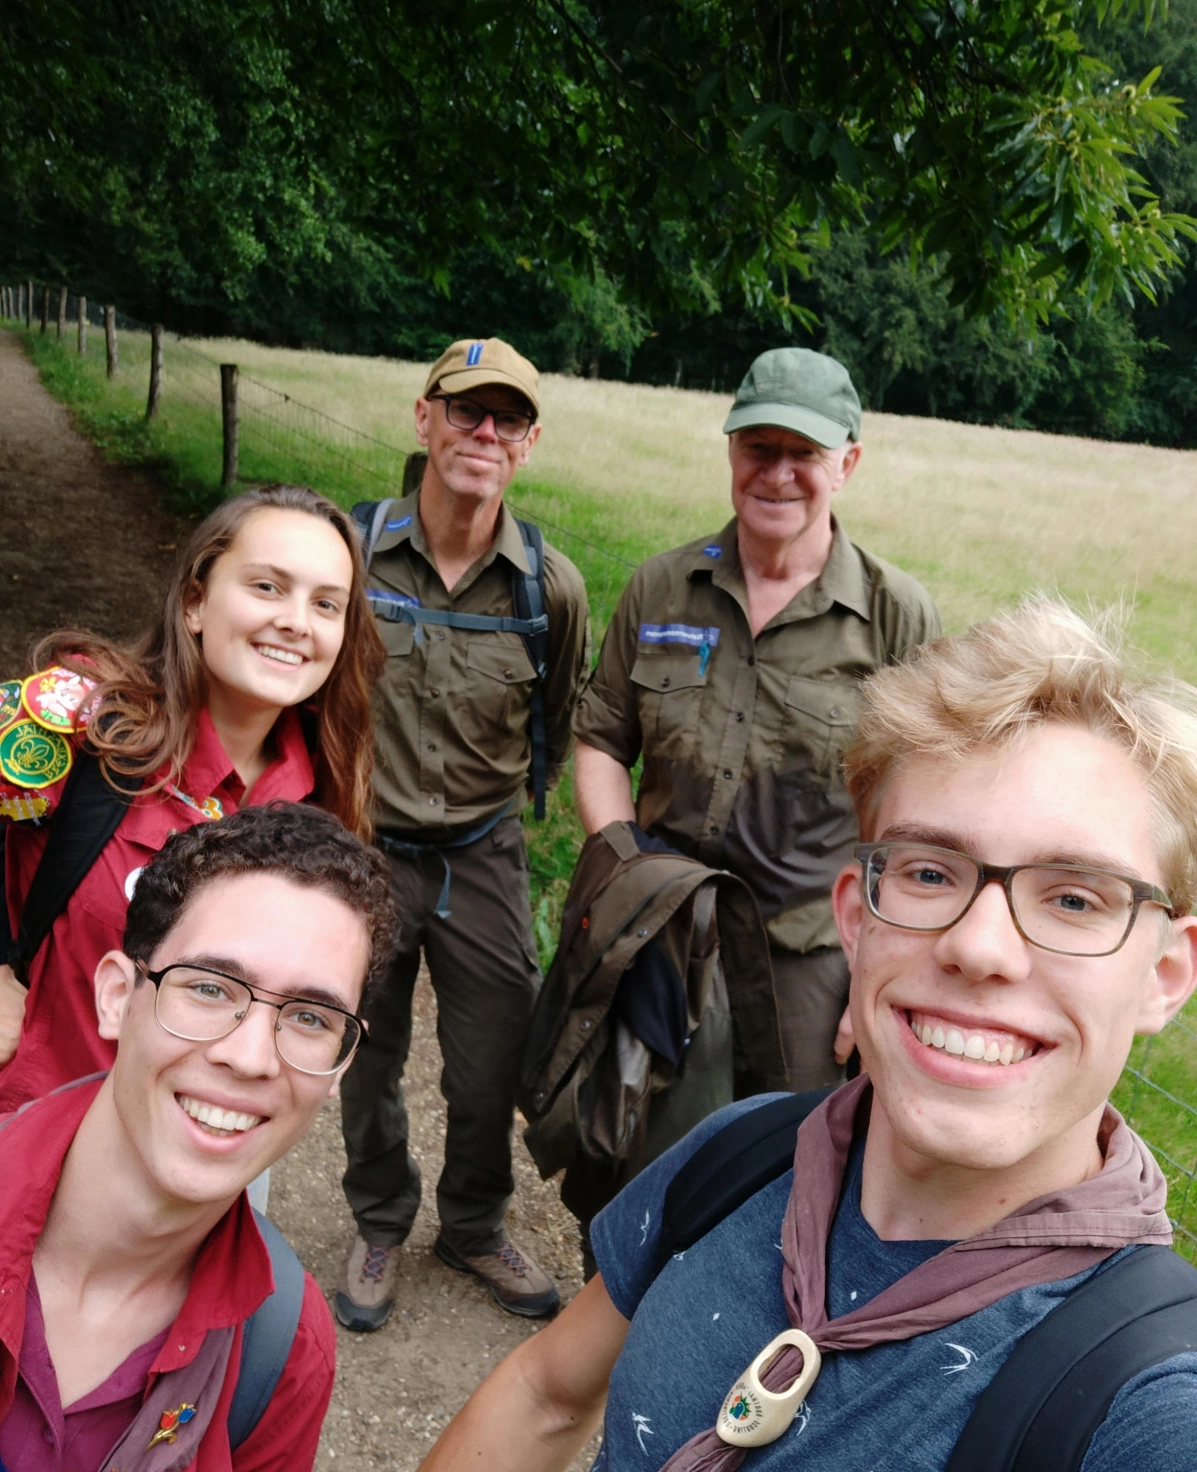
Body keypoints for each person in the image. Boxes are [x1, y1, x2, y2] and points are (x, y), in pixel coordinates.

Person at [329, 600, 1197, 1472]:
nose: (979, 946)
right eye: (926, 870)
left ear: (1168, 974)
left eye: (1075, 897)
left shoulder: (1145, 1418)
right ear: (856, 918)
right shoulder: (745, 1154)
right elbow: (545, 1391)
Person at [0, 801, 397, 1472]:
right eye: (210, 987)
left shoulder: (282, 1343)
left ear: (342, 1063)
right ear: (116, 996)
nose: (251, 1057)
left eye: (310, 1017)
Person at [573, 346, 940, 1091]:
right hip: (658, 938)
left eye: (802, 453)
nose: (776, 474)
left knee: (784, 1165)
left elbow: (928, 809)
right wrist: (625, 880)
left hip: (805, 962)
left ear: (847, 463)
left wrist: (881, 969)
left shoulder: (892, 616)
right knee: (628, 1150)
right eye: (757, 449)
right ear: (732, 452)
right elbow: (601, 740)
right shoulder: (662, 587)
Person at [336, 337, 590, 1329]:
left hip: (483, 852)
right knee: (366, 1046)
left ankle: (475, 1224)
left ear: (527, 444)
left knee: (494, 1064)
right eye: (466, 410)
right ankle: (379, 1220)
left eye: (507, 419)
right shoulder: (351, 552)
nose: (484, 432)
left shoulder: (547, 588)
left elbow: (556, 724)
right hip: (365, 846)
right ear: (425, 417)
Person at [0, 483, 385, 1115]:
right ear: (194, 602)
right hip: (29, 1131)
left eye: (326, 604)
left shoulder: (323, 801)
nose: (295, 620)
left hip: (205, 1144)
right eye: (266, 586)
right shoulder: (77, 724)